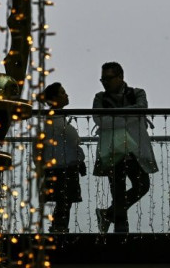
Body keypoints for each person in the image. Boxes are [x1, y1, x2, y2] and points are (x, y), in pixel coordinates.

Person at [93, 62, 158, 233]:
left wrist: (113, 119)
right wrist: (128, 116)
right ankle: (121, 228)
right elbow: (99, 120)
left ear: (120, 77)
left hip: (134, 150)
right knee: (118, 189)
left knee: (142, 185)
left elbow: (140, 110)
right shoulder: (100, 97)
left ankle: (108, 214)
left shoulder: (137, 93)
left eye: (108, 78)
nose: (104, 82)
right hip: (112, 151)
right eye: (103, 79)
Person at [38, 82, 86, 234]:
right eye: (62, 93)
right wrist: (79, 158)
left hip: (60, 166)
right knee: (64, 202)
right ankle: (59, 229)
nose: (66, 95)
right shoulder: (56, 121)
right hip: (63, 167)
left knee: (63, 202)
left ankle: (58, 228)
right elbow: (72, 141)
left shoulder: (54, 120)